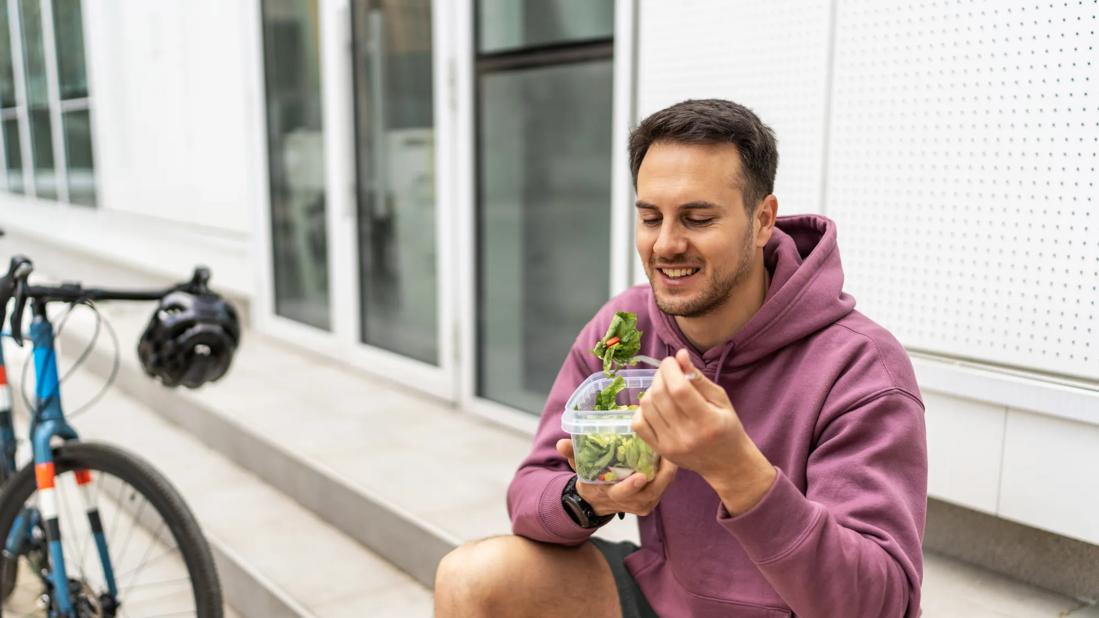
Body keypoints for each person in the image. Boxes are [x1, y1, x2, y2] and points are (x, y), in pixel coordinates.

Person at [434, 98, 927, 617]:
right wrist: (592, 497)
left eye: (697, 218)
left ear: (762, 221)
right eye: (651, 217)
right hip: (662, 598)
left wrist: (737, 469)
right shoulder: (623, 328)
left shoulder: (861, 367)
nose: (666, 245)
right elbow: (529, 495)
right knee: (473, 579)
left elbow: (881, 604)